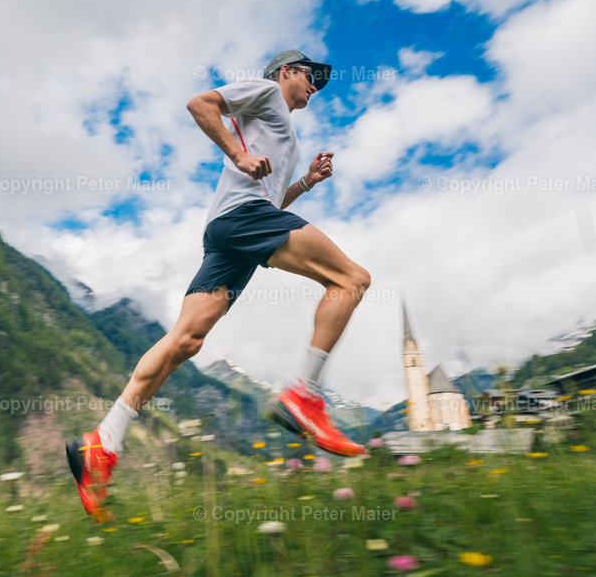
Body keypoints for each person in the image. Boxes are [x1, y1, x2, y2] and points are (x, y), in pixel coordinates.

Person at [66, 49, 372, 521]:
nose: (318, 85)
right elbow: (200, 104)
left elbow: (269, 196)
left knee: (185, 340)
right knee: (351, 278)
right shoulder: (267, 91)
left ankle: (102, 444)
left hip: (232, 231)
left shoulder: (283, 133)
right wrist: (238, 154)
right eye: (313, 75)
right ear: (287, 71)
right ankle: (304, 395)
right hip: (243, 220)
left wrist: (306, 181)